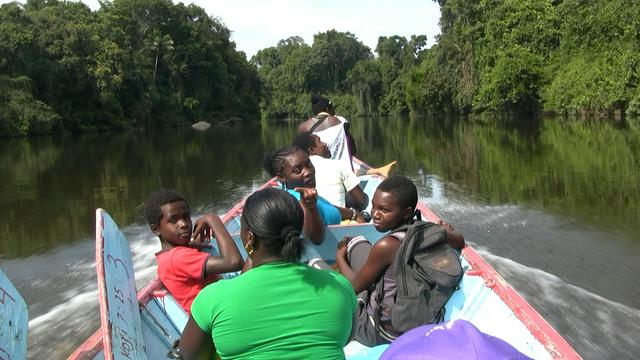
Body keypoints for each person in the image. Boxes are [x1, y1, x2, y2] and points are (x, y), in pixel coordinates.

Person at [178, 188, 357, 360]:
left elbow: (190, 355)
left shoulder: (213, 298)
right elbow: (347, 338)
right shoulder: (339, 286)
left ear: (250, 238)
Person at [334, 176, 465, 346]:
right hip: (422, 323)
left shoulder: (386, 245)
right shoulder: (430, 231)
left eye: (384, 210)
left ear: (407, 212)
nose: (375, 214)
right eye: (373, 206)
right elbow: (460, 240)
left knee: (323, 266)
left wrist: (340, 258)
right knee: (357, 242)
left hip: (383, 331)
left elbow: (352, 288)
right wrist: (443, 230)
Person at [145, 189, 243, 315]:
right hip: (220, 318)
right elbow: (234, 262)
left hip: (219, 312)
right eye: (173, 220)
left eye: (186, 217)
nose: (183, 224)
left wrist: (191, 244)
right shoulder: (178, 257)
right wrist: (213, 220)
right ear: (156, 229)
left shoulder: (170, 256)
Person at [263, 145, 369, 235]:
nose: (307, 172)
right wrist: (310, 207)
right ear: (281, 177)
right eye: (297, 170)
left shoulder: (306, 195)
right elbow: (314, 238)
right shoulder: (296, 202)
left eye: (308, 164)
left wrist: (354, 214)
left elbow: (326, 206)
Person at [293, 131, 368, 210]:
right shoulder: (339, 164)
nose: (325, 143)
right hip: (339, 219)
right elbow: (362, 201)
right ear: (312, 150)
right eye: (320, 141)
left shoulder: (295, 174)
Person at [298, 95, 357, 170]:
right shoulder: (340, 121)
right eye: (332, 108)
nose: (334, 111)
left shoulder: (303, 127)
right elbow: (353, 151)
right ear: (327, 109)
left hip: (318, 172)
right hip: (344, 172)